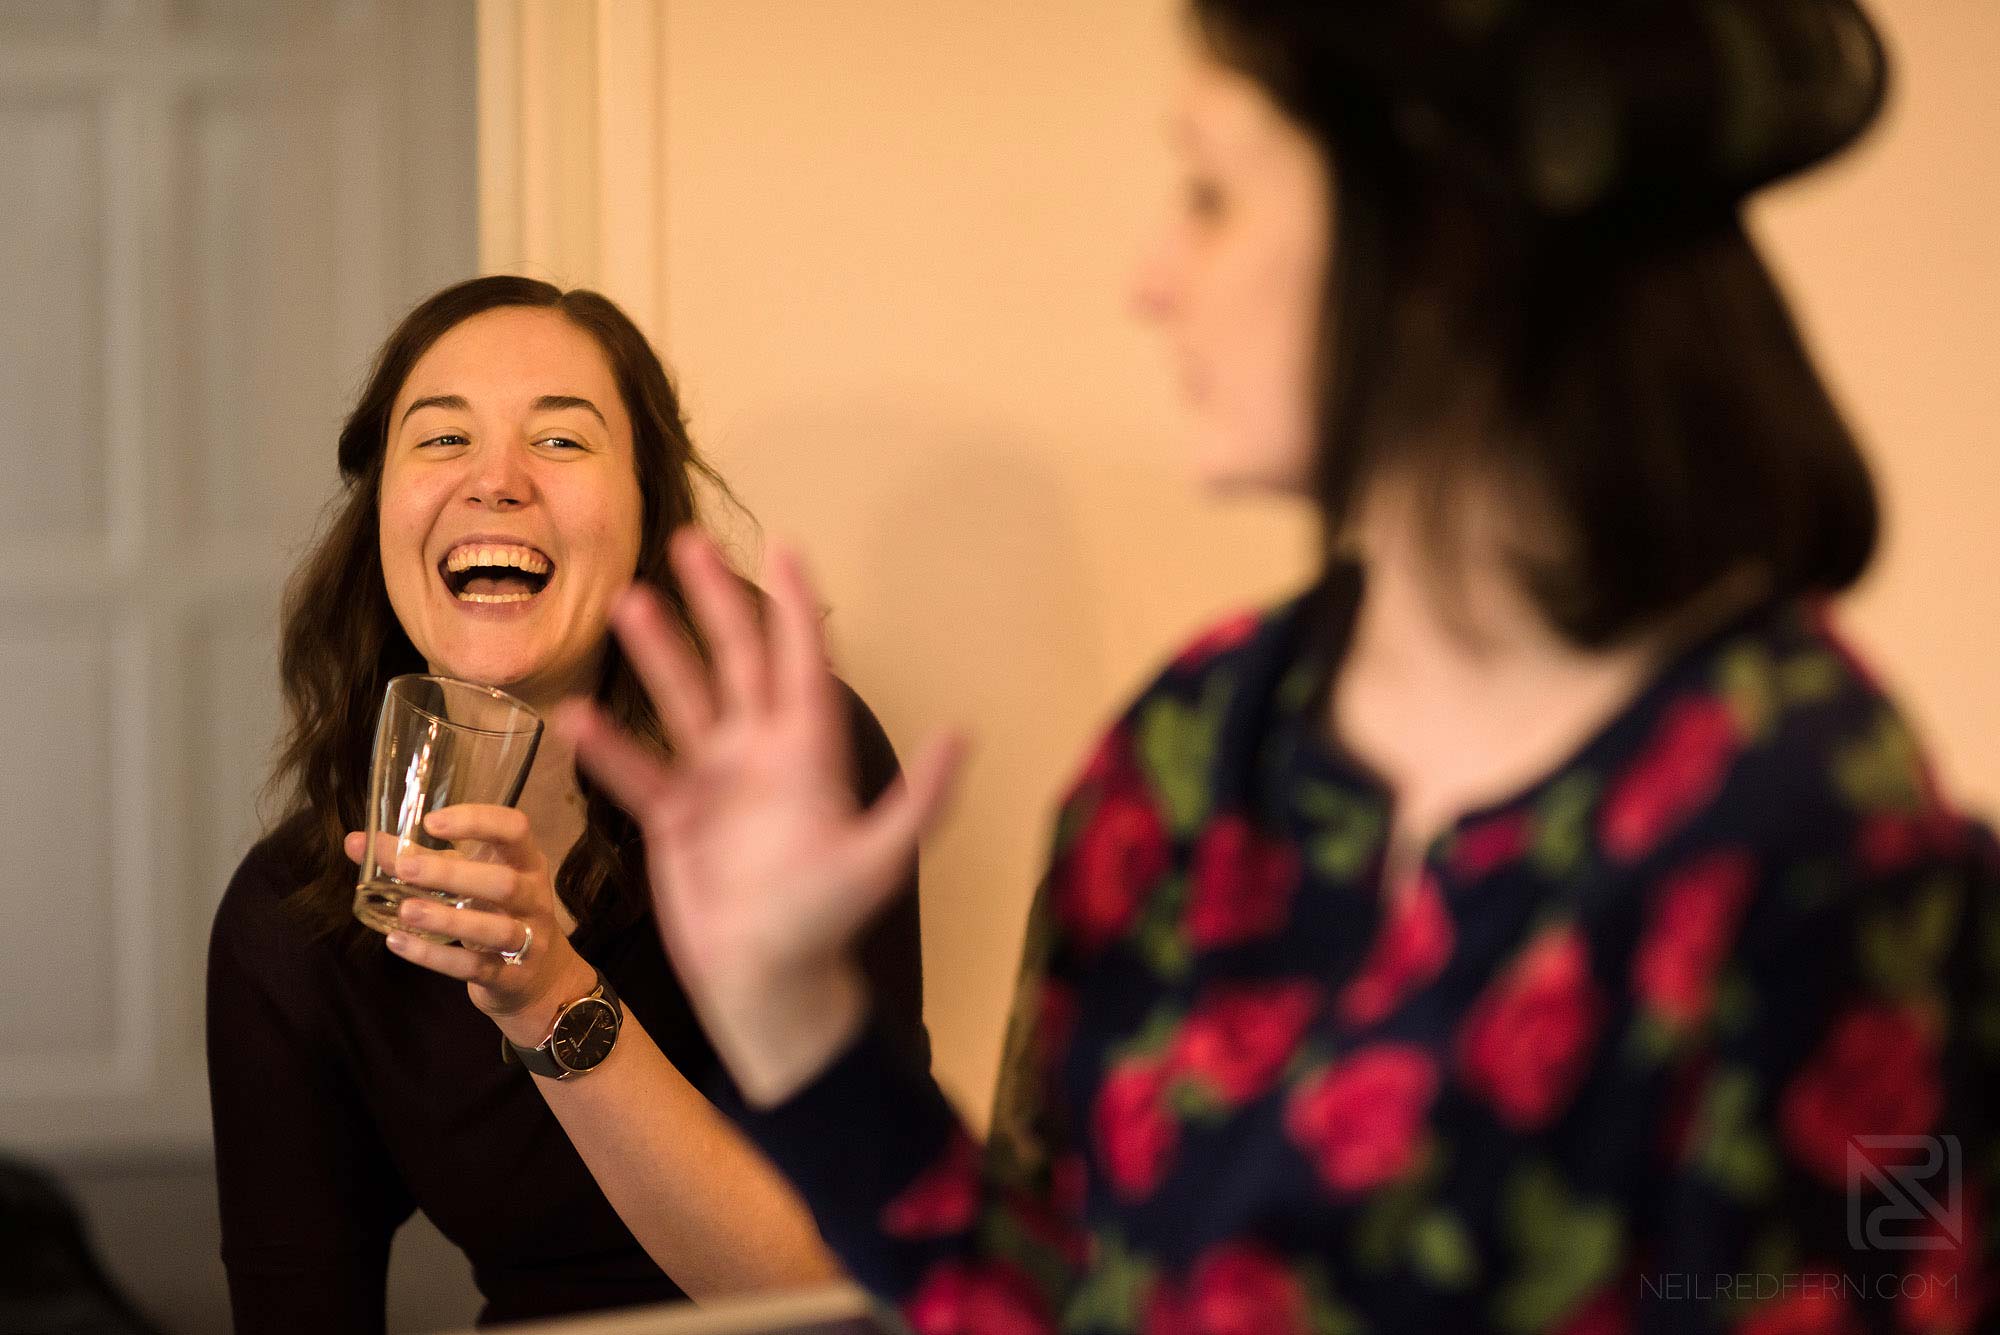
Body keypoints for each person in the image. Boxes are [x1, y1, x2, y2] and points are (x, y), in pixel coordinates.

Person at [555, 2, 1998, 1332]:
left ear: (1443, 233)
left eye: (1210, 194)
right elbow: (1051, 1293)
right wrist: (793, 1013)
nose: (1151, 281)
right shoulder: (1191, 750)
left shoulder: (1815, 822)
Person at [204, 275, 928, 1333]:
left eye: (562, 441)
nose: (495, 482)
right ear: (379, 522)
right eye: (442, 441)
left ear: (645, 520)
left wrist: (546, 994)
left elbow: (846, 1281)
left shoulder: (789, 770)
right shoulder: (293, 917)